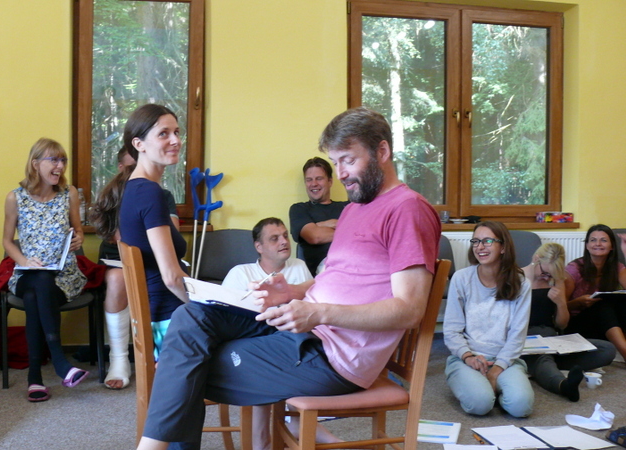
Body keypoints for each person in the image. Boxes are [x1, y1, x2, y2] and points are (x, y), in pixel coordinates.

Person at [135, 106, 441, 450]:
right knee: (191, 317)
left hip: (332, 356)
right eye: (335, 162)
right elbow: (340, 278)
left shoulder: (408, 210)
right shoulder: (355, 209)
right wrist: (292, 291)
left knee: (187, 364)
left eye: (348, 160)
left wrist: (318, 312)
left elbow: (409, 310)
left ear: (382, 151)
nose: (340, 173)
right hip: (303, 329)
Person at [221, 217, 324, 450]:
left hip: (293, 344)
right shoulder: (240, 273)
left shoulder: (298, 266)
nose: (284, 242)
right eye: (274, 238)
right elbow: (223, 317)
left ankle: (294, 426)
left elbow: (312, 308)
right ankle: (276, 436)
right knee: (265, 363)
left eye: (285, 236)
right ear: (259, 247)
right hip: (252, 349)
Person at [3, 137, 89, 402]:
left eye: (63, 160)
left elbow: (78, 230)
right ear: (35, 163)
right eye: (54, 160)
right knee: (38, 279)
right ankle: (60, 362)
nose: (60, 166)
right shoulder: (15, 198)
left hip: (63, 276)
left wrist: (78, 239)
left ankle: (35, 378)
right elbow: (7, 241)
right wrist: (24, 260)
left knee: (34, 296)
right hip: (27, 274)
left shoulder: (69, 193)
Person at [93, 146, 181, 390]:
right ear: (122, 168)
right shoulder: (122, 193)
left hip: (154, 261)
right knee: (119, 279)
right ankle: (119, 358)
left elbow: (171, 233)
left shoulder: (158, 194)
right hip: (119, 260)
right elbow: (117, 237)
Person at [117, 104, 189, 359]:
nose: (176, 140)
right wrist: (207, 305)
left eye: (177, 132)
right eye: (163, 134)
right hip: (169, 320)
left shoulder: (135, 188)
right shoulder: (149, 193)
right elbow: (171, 278)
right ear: (139, 144)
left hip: (159, 313)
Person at [443, 221, 533, 417]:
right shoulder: (461, 278)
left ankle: (495, 386)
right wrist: (468, 357)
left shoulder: (521, 283)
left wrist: (497, 369)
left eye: (488, 241)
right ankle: (483, 388)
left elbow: (517, 334)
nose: (480, 247)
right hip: (467, 358)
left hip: (506, 360)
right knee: (480, 404)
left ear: (503, 247)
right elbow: (451, 329)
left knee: (521, 406)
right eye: (475, 241)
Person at [521, 243, 615, 402]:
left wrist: (561, 303)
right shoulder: (517, 277)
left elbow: (562, 325)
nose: (547, 278)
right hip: (527, 339)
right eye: (545, 273)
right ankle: (563, 385)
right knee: (542, 357)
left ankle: (542, 366)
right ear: (536, 259)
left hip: (552, 339)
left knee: (607, 349)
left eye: (551, 275)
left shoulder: (556, 279)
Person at [564, 224, 626, 361]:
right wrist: (578, 302)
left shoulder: (616, 267)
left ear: (612, 246)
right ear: (587, 245)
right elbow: (559, 308)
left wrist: (625, 251)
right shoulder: (574, 268)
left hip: (606, 323)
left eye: (603, 240)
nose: (598, 244)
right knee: (602, 306)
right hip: (577, 325)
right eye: (593, 240)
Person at [288, 157, 348, 275]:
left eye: (319, 179)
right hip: (326, 268)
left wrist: (319, 225)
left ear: (330, 181)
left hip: (356, 260)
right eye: (309, 180)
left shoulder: (348, 207)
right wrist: (349, 229)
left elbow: (367, 232)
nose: (314, 184)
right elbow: (315, 236)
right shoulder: (299, 209)